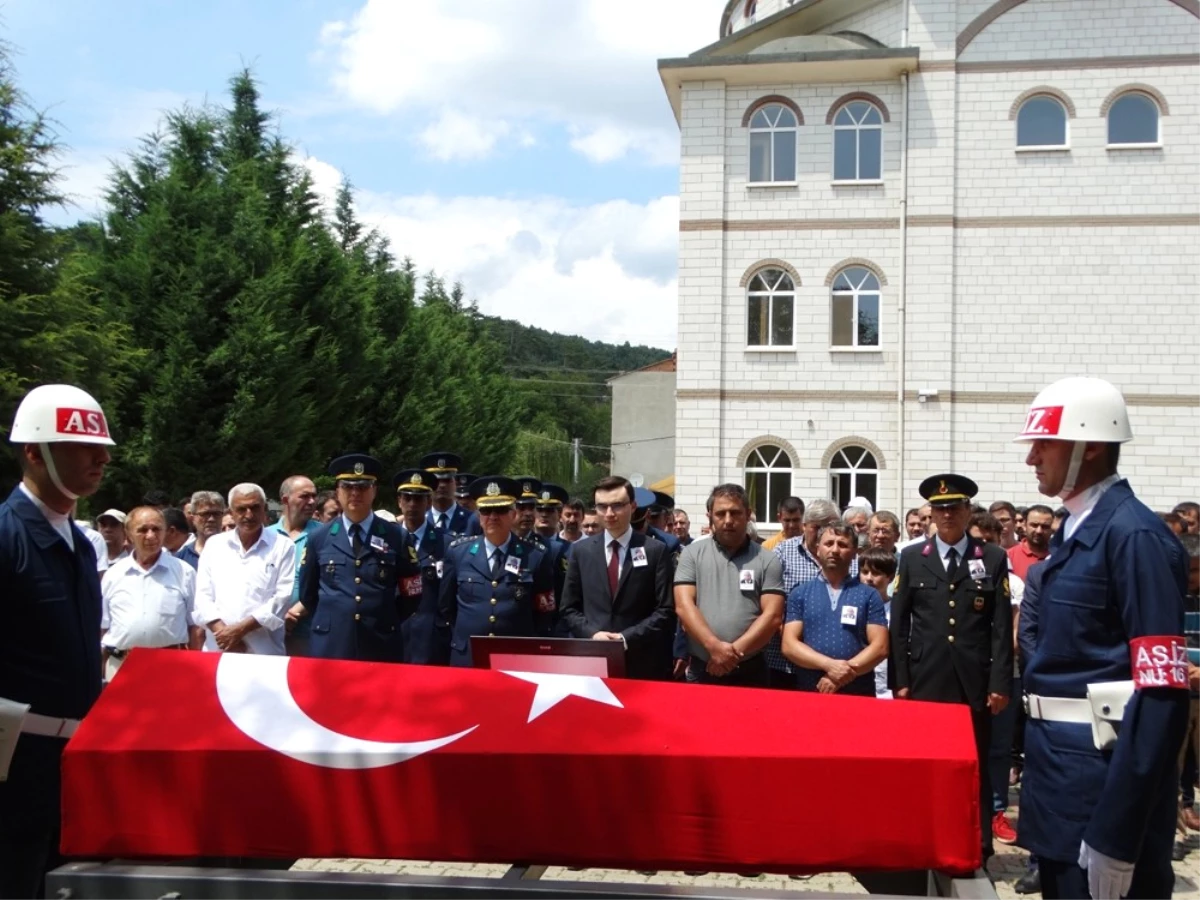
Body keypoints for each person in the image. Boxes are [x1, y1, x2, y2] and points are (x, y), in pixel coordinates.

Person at [1015, 376, 1188, 900]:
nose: (1032, 459)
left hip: (1101, 790)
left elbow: (1161, 693)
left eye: (1044, 443)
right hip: (1061, 782)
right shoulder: (1076, 527)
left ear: (1090, 445)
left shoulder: (1134, 536)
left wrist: (1118, 830)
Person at [0, 384, 112, 898]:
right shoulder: (6, 536)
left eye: (104, 448)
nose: (99, 458)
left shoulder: (82, 544)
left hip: (73, 763)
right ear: (34, 452)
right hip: (13, 767)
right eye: (81, 446)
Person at [890, 473, 1012, 864]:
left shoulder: (990, 557)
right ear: (931, 515)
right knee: (926, 761)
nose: (947, 516)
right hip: (927, 676)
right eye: (940, 509)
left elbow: (999, 628)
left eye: (954, 508)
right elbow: (899, 626)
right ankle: (923, 835)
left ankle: (978, 843)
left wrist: (999, 683)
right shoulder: (911, 558)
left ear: (967, 511)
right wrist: (901, 681)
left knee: (974, 761)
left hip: (973, 679)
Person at [294, 455, 418, 663]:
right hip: (332, 644)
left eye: (362, 487)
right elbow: (308, 594)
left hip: (380, 642)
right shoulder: (319, 538)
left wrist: (383, 618)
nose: (355, 493)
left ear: (374, 490)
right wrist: (336, 618)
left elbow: (412, 593)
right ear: (338, 491)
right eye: (347, 486)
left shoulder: (397, 536)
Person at [559, 476, 675, 680]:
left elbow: (665, 610)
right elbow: (568, 608)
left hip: (642, 662)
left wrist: (625, 638)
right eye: (602, 507)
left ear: (633, 506)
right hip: (592, 661)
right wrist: (593, 635)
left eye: (617, 505)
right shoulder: (581, 551)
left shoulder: (655, 551)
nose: (609, 513)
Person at [674, 484, 785, 687]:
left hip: (751, 669)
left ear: (748, 514)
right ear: (710, 517)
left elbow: (773, 616)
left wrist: (729, 655)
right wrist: (714, 647)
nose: (728, 520)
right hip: (703, 666)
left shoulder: (768, 559)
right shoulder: (691, 554)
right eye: (720, 514)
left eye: (735, 513)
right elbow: (683, 606)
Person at [438, 477, 556, 667]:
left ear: (513, 514)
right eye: (486, 510)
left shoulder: (535, 555)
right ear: (478, 515)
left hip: (516, 659)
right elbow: (446, 607)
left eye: (500, 510)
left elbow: (543, 613)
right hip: (467, 657)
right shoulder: (458, 552)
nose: (493, 516)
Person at [782, 523, 887, 696]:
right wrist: (829, 665)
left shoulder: (869, 595)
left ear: (854, 553)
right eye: (829, 543)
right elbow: (789, 645)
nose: (835, 550)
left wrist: (838, 677)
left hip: (858, 694)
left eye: (843, 545)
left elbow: (880, 647)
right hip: (811, 691)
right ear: (818, 549)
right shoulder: (800, 593)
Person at [194, 483, 295, 655]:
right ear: (231, 512)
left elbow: (282, 598)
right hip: (219, 648)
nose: (249, 515)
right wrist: (225, 635)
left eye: (255, 508)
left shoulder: (282, 546)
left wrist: (240, 630)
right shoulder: (215, 545)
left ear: (264, 509)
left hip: (264, 652)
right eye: (241, 509)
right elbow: (203, 597)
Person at [100, 506, 200, 680]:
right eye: (143, 530)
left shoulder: (184, 572)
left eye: (156, 529)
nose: (151, 536)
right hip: (121, 665)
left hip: (171, 667)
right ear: (128, 534)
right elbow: (102, 627)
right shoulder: (113, 575)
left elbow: (196, 626)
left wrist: (196, 668)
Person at [771, 499, 843, 688]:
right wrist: (798, 647)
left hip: (834, 668)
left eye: (830, 526)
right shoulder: (782, 552)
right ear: (805, 526)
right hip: (787, 665)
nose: (823, 533)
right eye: (817, 527)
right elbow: (773, 607)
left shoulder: (848, 557)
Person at [394, 468, 447, 665]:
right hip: (393, 633)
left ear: (429, 502)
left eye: (418, 499)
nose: (412, 504)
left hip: (431, 638)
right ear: (399, 501)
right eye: (407, 498)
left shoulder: (446, 543)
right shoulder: (385, 541)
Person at [273, 476, 322, 656]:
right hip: (268, 631)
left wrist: (295, 613)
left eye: (314, 496)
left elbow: (328, 581)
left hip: (308, 632)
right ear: (285, 499)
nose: (312, 501)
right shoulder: (267, 536)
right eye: (304, 496)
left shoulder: (324, 534)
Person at [857, 547, 898, 699]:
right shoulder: (851, 607)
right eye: (865, 572)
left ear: (890, 577)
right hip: (859, 686)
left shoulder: (896, 610)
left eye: (876, 573)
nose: (869, 578)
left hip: (887, 690)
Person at [533, 482, 573, 632]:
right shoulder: (525, 549)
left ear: (560, 513)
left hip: (562, 623)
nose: (544, 514)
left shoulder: (571, 550)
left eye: (550, 510)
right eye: (540, 509)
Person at [422, 451, 470, 534]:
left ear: (455, 484)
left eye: (447, 480)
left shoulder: (471, 520)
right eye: (437, 481)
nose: (442, 485)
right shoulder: (420, 520)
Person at [176, 491, 224, 569]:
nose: (211, 519)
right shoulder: (181, 559)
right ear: (193, 518)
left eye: (216, 514)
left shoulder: (236, 552)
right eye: (205, 514)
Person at [1008, 504, 1053, 580]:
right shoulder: (1010, 556)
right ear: (1025, 525)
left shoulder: (1059, 555)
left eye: (1045, 526)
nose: (1039, 531)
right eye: (1034, 525)